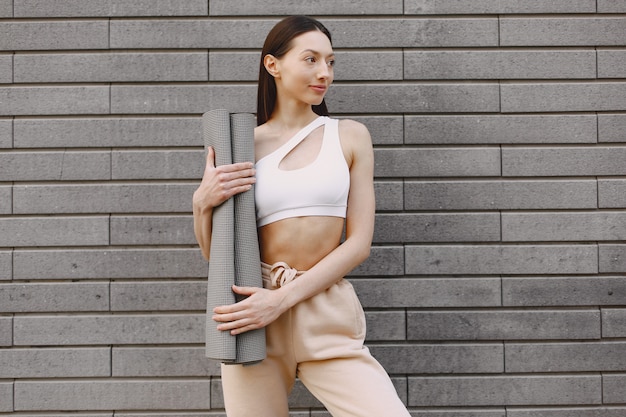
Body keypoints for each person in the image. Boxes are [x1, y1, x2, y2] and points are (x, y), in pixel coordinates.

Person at [193, 15, 411, 417]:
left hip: (324, 313)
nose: (324, 73)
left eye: (330, 62)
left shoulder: (349, 135)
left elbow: (359, 244)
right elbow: (216, 256)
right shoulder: (242, 144)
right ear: (273, 65)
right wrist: (202, 203)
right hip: (251, 316)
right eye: (310, 60)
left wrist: (280, 301)